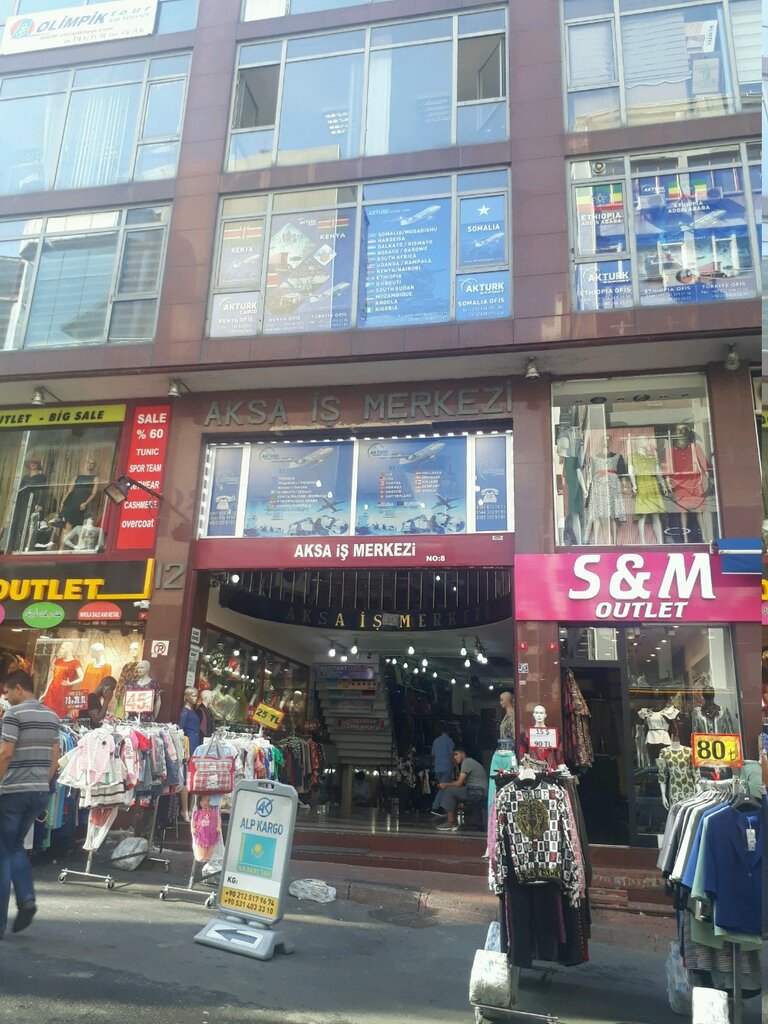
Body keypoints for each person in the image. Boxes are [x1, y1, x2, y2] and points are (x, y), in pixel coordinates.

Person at [0, 669, 60, 938]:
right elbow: (55, 756)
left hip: (13, 791)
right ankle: (26, 898)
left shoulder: (13, 714)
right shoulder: (52, 716)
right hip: (38, 791)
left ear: (19, 689)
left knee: (3, 852)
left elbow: (6, 752)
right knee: (15, 847)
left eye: (7, 692)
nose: (5, 697)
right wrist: (42, 784)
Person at [435, 745, 488, 833]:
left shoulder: (467, 762)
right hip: (478, 790)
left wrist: (445, 784)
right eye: (453, 756)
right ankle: (451, 817)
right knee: (454, 792)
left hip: (476, 791)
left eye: (456, 754)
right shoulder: (470, 762)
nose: (454, 757)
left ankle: (451, 822)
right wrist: (455, 764)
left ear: (463, 754)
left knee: (449, 791)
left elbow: (459, 783)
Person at [430, 726, 455, 816]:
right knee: (444, 787)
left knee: (443, 787)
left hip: (437, 767)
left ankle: (442, 807)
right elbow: (452, 754)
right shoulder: (449, 741)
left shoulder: (436, 741)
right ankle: (436, 807)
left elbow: (433, 754)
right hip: (447, 767)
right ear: (448, 732)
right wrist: (456, 766)